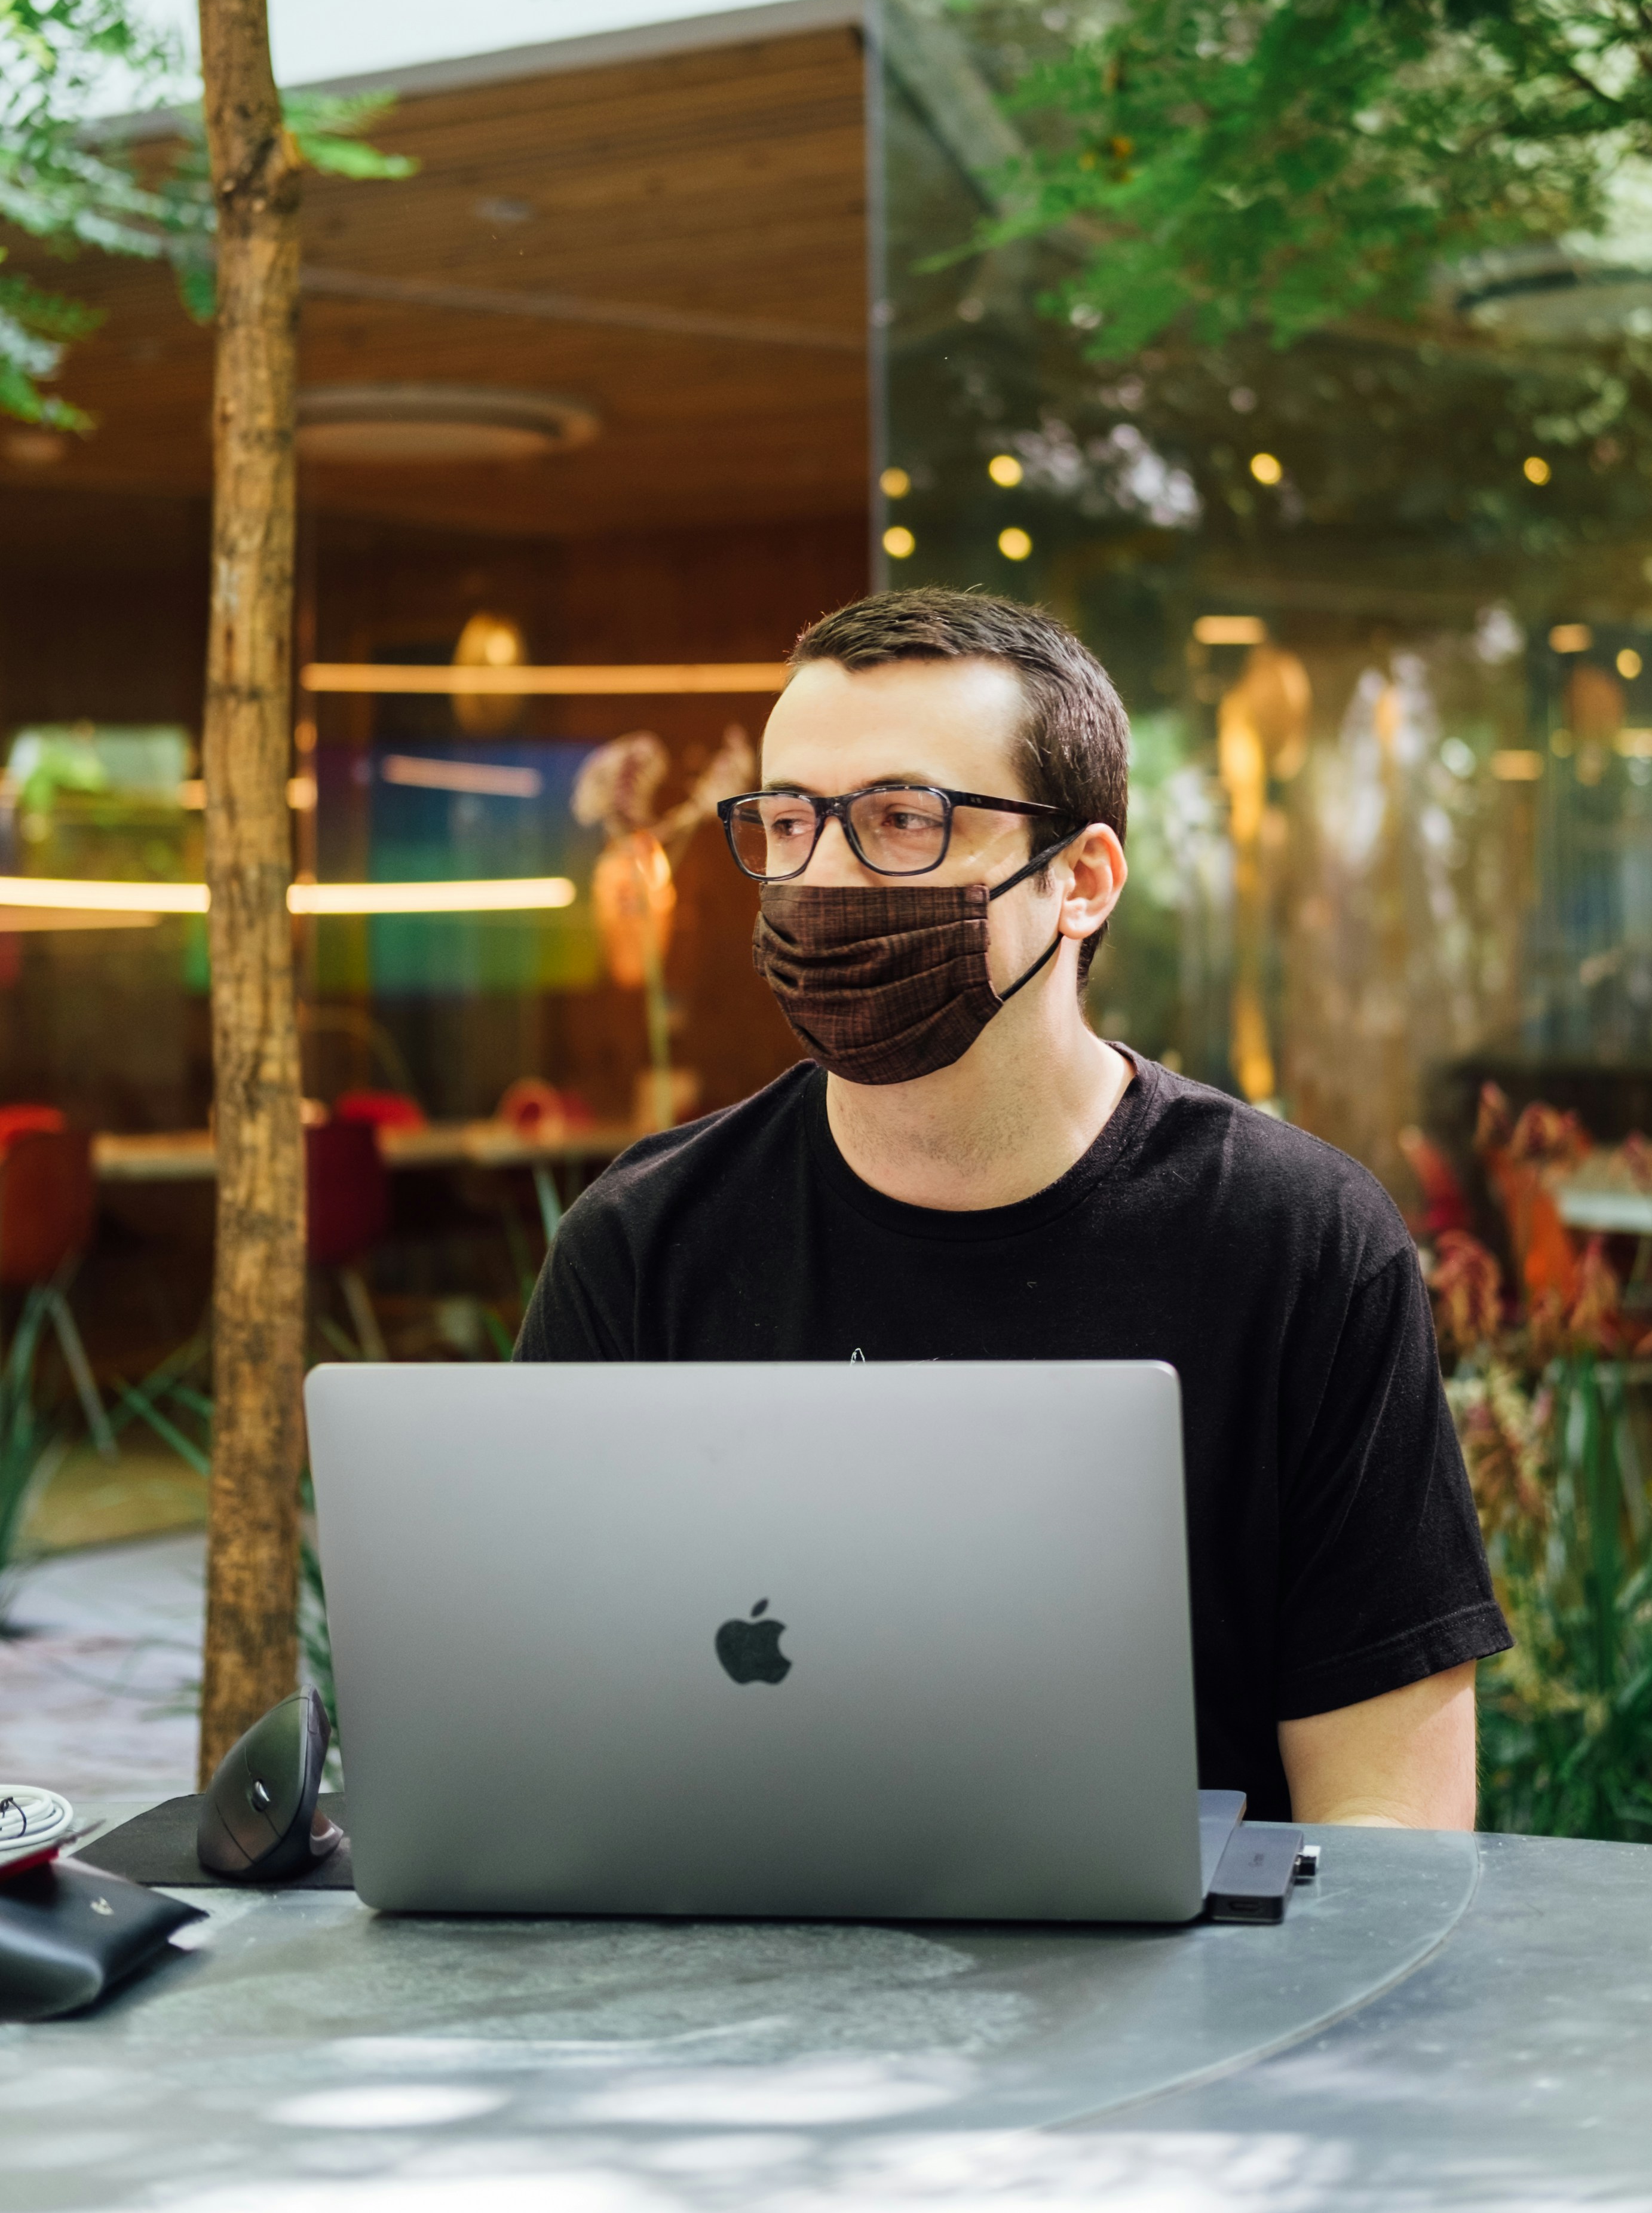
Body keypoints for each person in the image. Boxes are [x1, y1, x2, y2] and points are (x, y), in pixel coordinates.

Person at [518, 588, 1510, 1825]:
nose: (821, 875)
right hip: (741, 1990)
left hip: (1193, 2005)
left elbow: (1391, 1848)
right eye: (785, 824)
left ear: (1082, 879)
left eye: (900, 819)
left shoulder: (1301, 1244)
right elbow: (550, 1752)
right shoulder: (643, 1243)